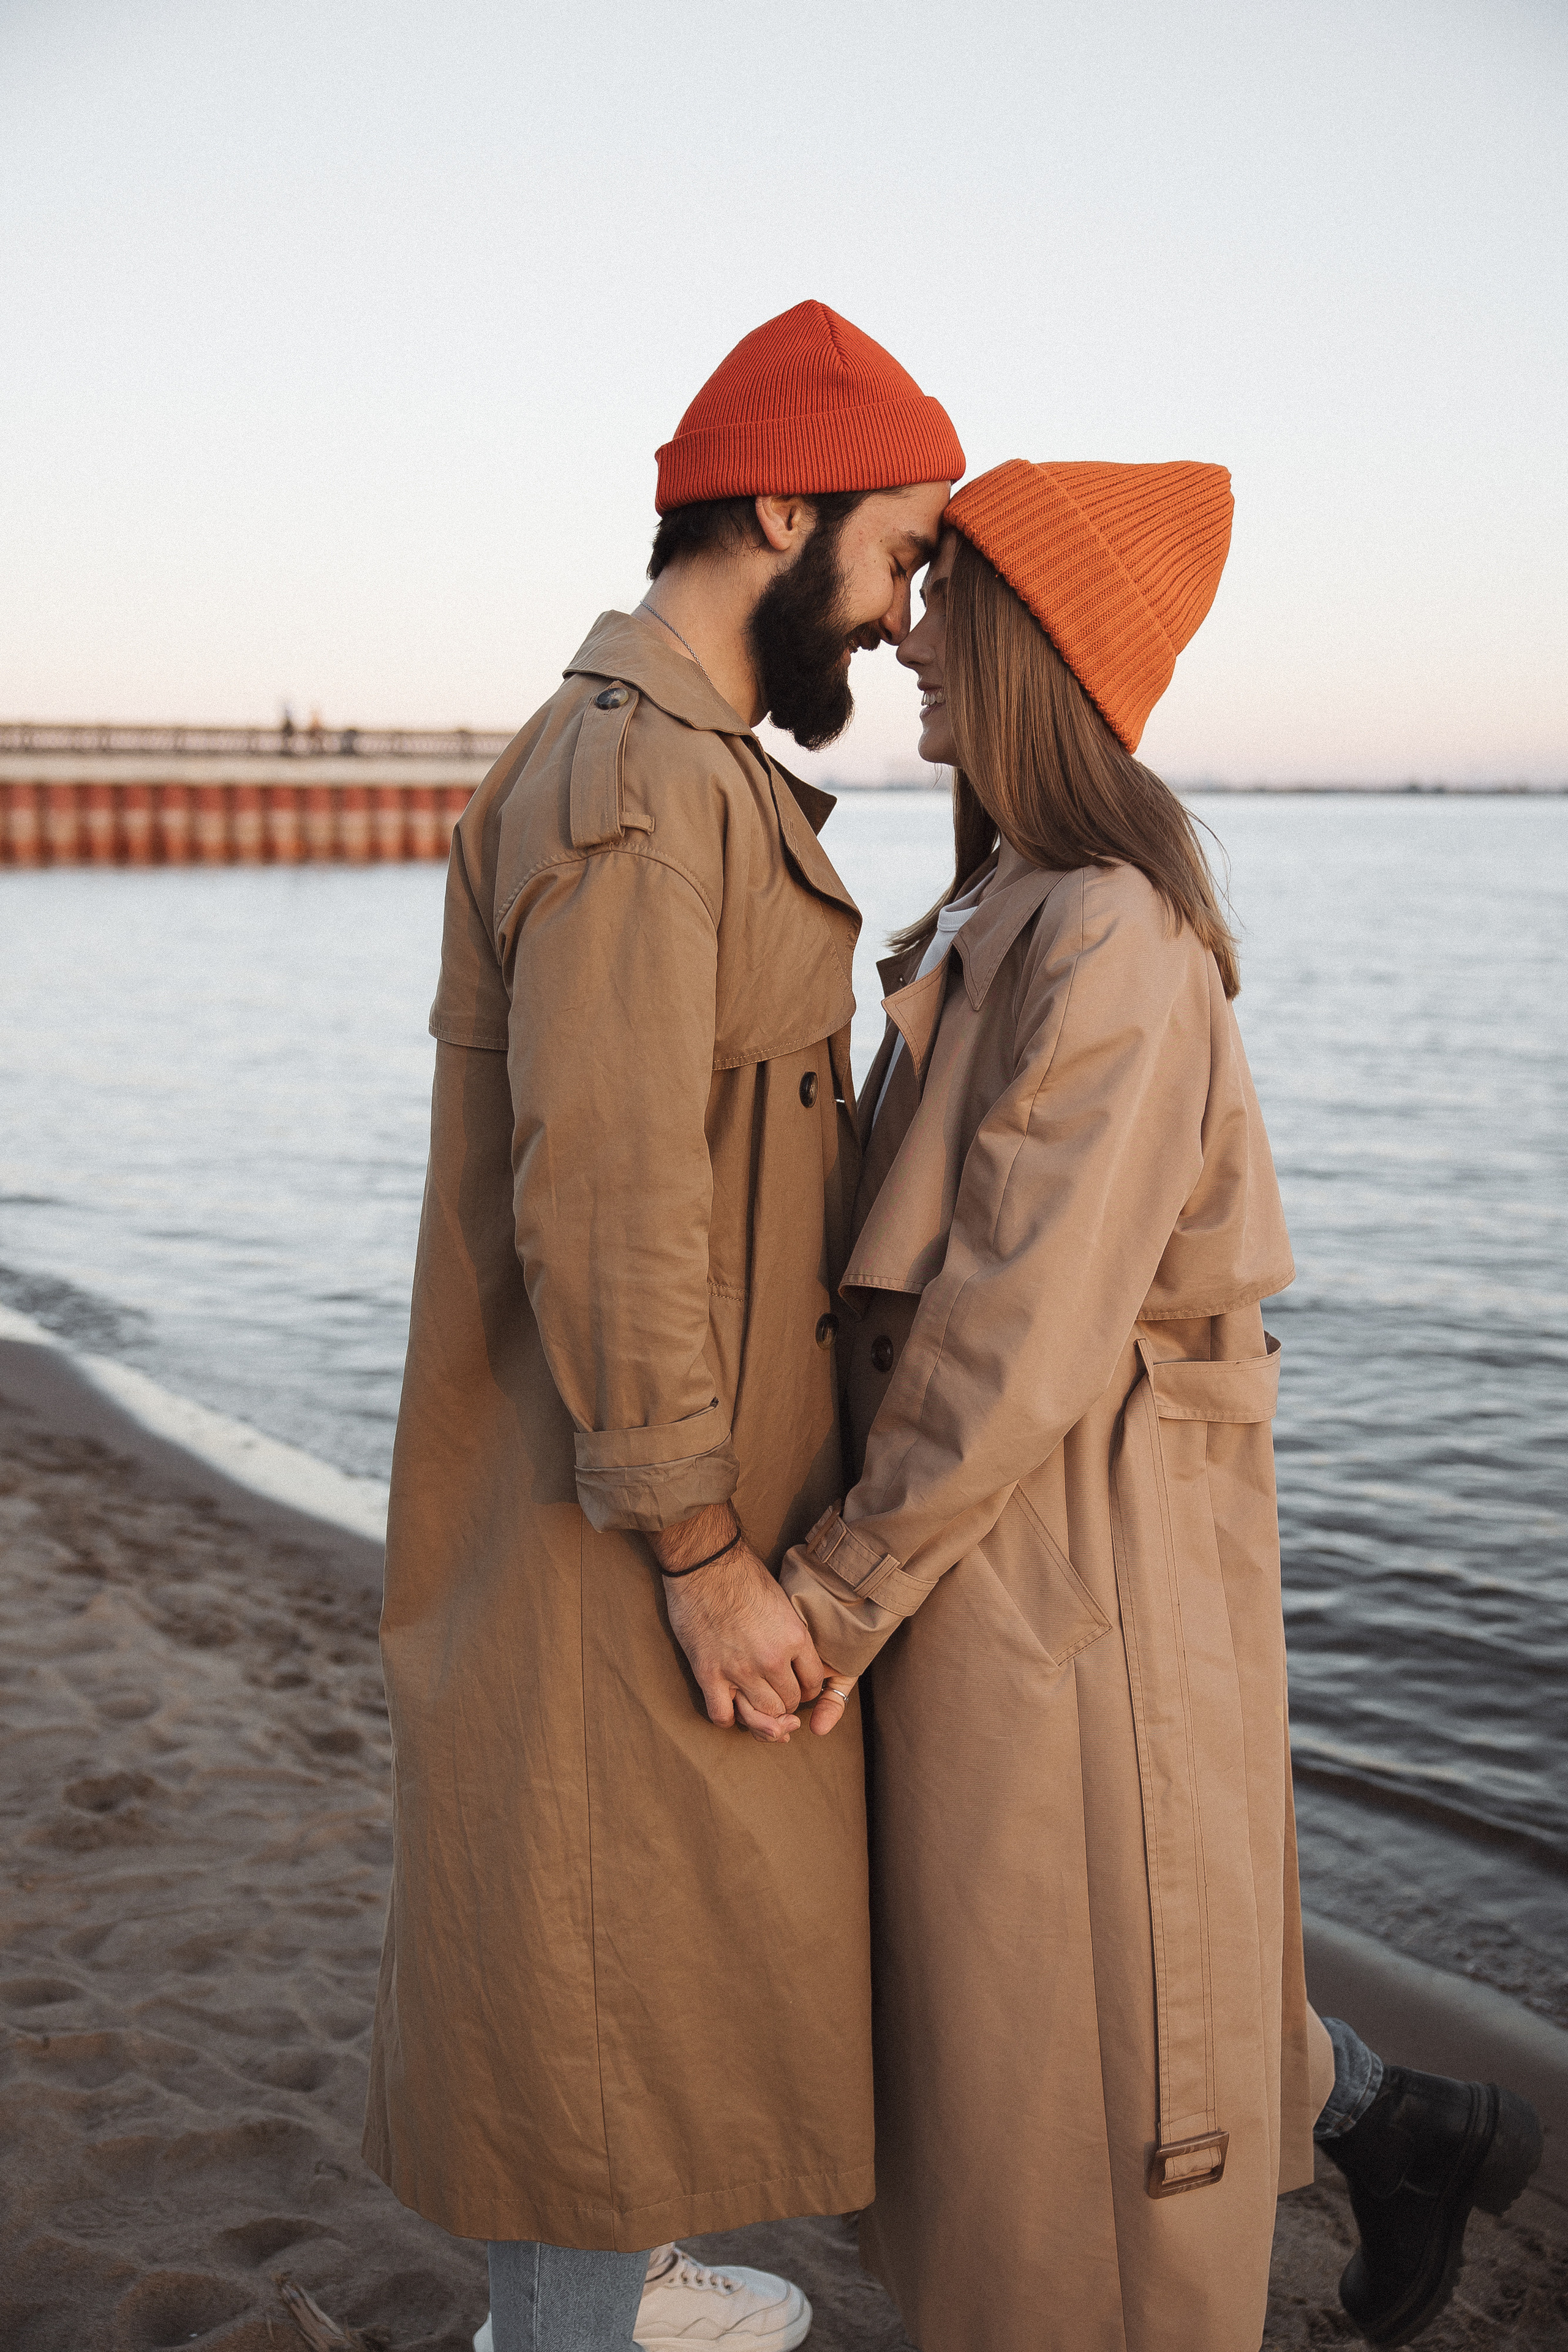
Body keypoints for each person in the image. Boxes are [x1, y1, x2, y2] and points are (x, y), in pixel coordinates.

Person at [782, 460, 1542, 2351]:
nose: (916, 634)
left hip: (1068, 1610)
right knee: (1032, 2081)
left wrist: (831, 1593)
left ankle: (1398, 2126)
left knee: (1098, 2134)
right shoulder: (1009, 904)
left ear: (1044, 642)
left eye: (957, 598)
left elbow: (1010, 1338)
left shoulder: (1109, 933)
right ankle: (1401, 2124)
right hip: (1003, 1589)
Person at [361, 301, 962, 2352]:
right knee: (579, 1964)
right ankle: (572, 2311)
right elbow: (608, 1195)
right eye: (894, 553)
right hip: (609, 1512)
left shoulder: (679, 766)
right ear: (779, 507)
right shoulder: (635, 782)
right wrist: (703, 1551)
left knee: (607, 1947)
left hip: (638, 1484)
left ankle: (604, 2279)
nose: (898, 620)